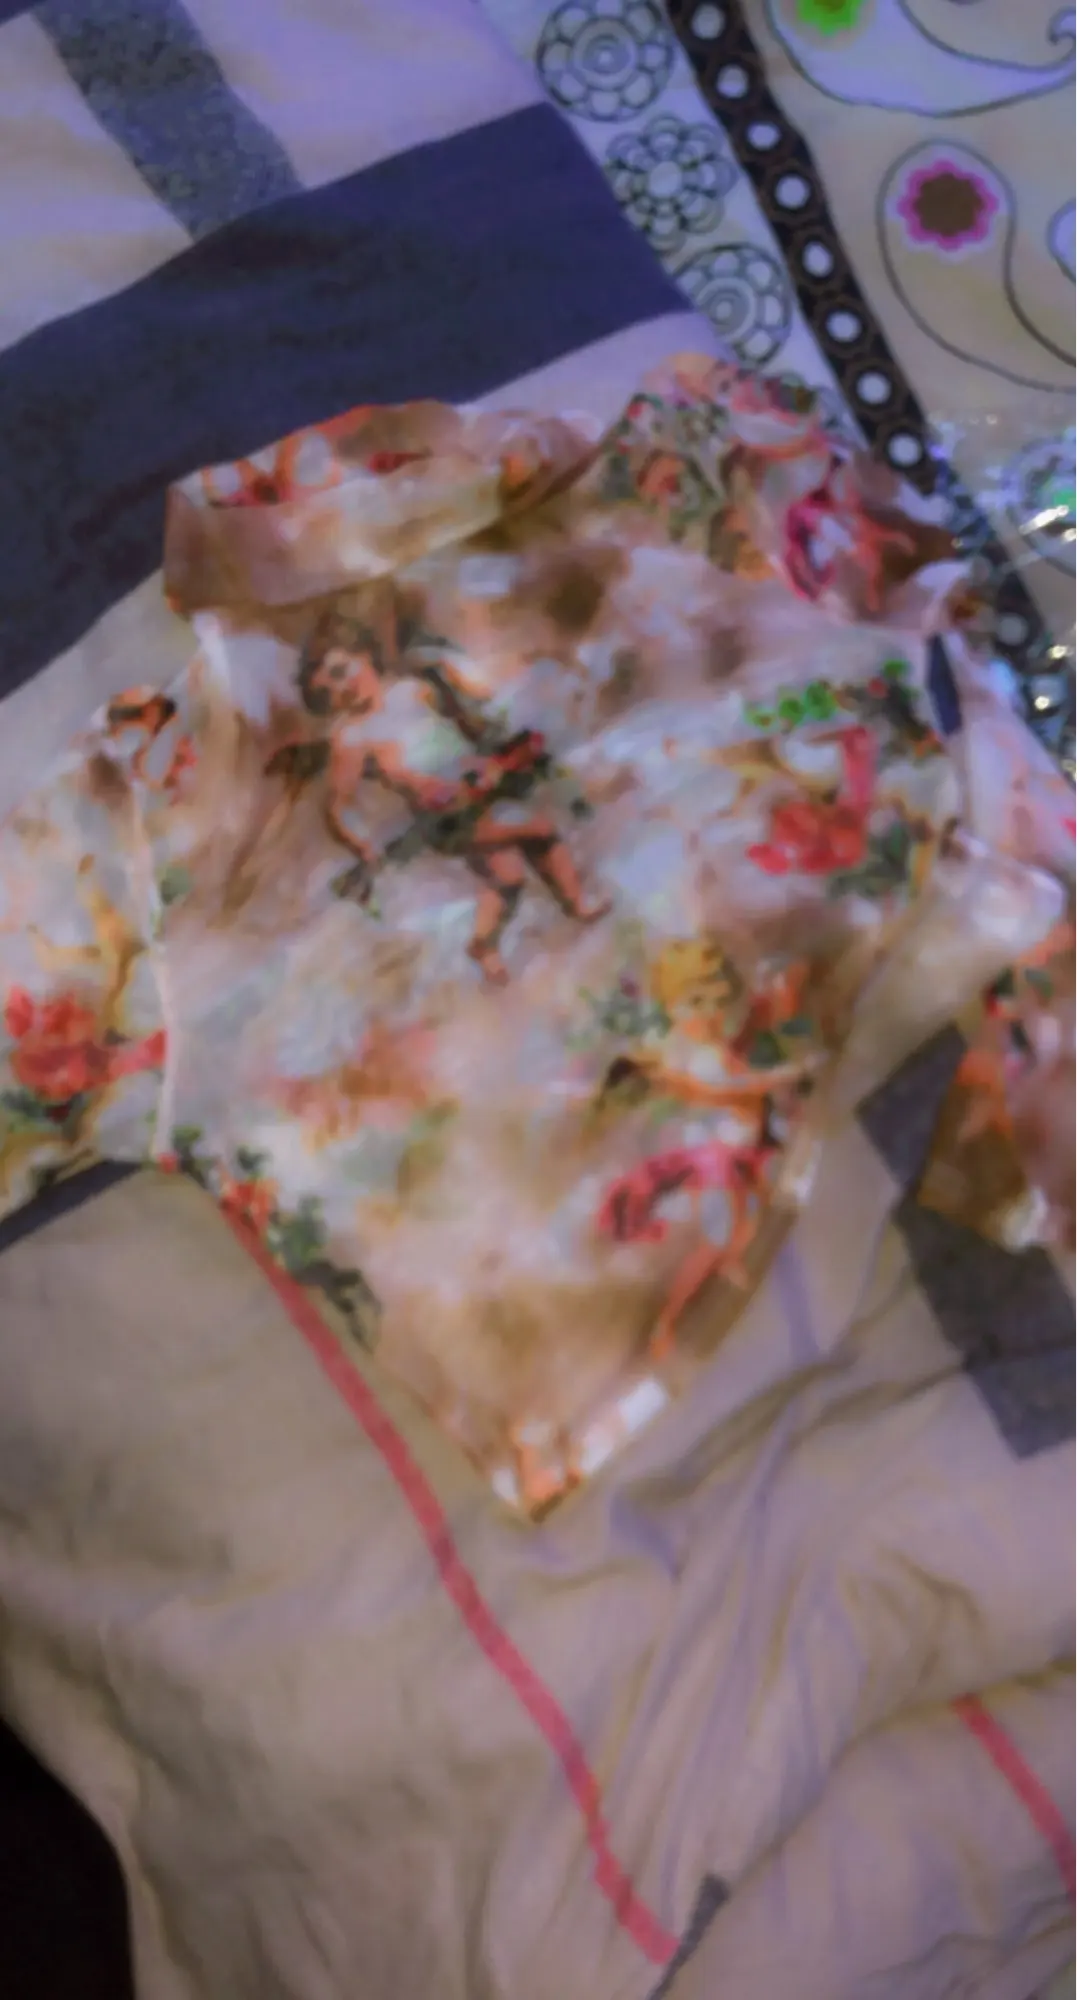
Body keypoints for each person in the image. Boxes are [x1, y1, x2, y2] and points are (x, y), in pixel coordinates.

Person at [282, 614, 609, 985]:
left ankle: (483, 946)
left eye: (342, 671)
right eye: (328, 693)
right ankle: (576, 904)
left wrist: (487, 756)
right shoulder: (351, 738)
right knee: (540, 829)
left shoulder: (412, 689)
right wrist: (362, 845)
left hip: (478, 787)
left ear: (363, 653)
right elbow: (338, 806)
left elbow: (464, 723)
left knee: (508, 877)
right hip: (445, 818)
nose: (343, 689)